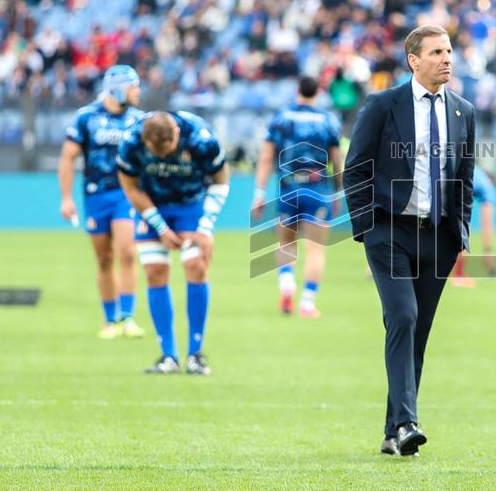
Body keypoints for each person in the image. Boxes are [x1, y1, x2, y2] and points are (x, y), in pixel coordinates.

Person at [343, 25, 476, 457]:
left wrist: (460, 235)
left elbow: (465, 179)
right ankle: (407, 424)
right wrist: (366, 228)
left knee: (416, 332)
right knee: (402, 315)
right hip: (389, 232)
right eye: (437, 52)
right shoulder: (384, 105)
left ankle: (391, 432)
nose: (447, 59)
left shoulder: (463, 112)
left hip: (438, 237)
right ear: (413, 61)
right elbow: (356, 168)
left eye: (450, 51)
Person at [116, 111, 230, 375]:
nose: (163, 158)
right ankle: (169, 356)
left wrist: (205, 227)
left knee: (196, 267)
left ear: (176, 134)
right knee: (155, 272)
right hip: (152, 206)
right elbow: (131, 187)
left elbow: (222, 181)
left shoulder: (201, 138)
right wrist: (160, 226)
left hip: (191, 206)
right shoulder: (130, 141)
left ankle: (195, 354)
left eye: (167, 151)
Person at [58, 64, 146, 340]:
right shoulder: (86, 118)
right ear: (118, 88)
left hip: (127, 194)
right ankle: (110, 321)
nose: (138, 92)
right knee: (105, 259)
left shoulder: (140, 120)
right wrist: (66, 198)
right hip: (96, 195)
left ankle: (128, 318)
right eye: (134, 87)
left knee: (128, 252)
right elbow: (67, 157)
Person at [251, 75, 344, 318]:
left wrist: (259, 192)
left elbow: (266, 157)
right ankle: (307, 302)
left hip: (288, 189)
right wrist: (339, 192)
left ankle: (286, 282)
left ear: (297, 91)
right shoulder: (327, 120)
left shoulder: (281, 118)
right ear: (317, 93)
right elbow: (337, 160)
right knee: (315, 250)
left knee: (286, 244)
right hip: (318, 190)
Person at [449, 167, 496, 287]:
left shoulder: (477, 174)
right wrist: (487, 250)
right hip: (455, 187)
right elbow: (487, 221)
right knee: (462, 231)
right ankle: (458, 276)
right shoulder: (487, 186)